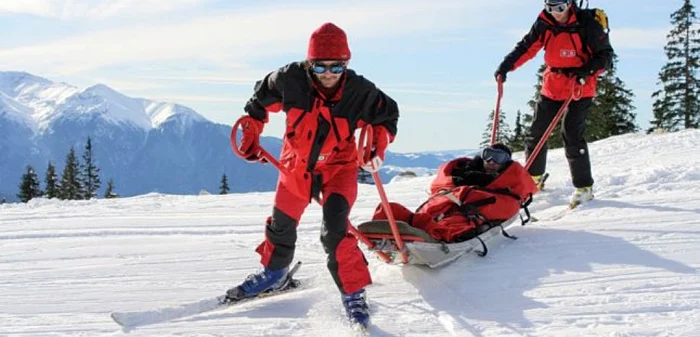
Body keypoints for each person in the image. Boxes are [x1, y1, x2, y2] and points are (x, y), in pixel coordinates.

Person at [230, 22, 399, 327]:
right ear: (309, 64)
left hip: (339, 169)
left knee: (335, 233)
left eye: (337, 67)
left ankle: (353, 293)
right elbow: (258, 101)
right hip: (295, 166)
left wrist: (378, 144)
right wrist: (251, 132)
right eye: (320, 67)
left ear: (346, 64)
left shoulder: (361, 91)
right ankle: (275, 273)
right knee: (281, 226)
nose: (329, 74)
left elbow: (387, 115)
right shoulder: (288, 80)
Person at [494, 0, 614, 206]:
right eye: (550, 8)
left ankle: (584, 187)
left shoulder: (586, 23)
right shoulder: (544, 23)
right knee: (537, 132)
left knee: (571, 134)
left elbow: (606, 56)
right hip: (553, 84)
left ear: (569, 5)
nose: (555, 13)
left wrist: (587, 71)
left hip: (580, 85)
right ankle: (534, 178)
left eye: (559, 8)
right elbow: (526, 47)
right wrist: (506, 66)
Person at [371, 144, 537, 242]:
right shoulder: (464, 171)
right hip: (446, 200)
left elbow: (505, 204)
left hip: (473, 211)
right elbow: (441, 185)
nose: (491, 162)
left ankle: (428, 234)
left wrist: (471, 192)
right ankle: (390, 220)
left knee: (454, 223)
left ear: (506, 162)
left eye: (498, 158)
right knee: (427, 212)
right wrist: (462, 183)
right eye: (488, 156)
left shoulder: (507, 183)